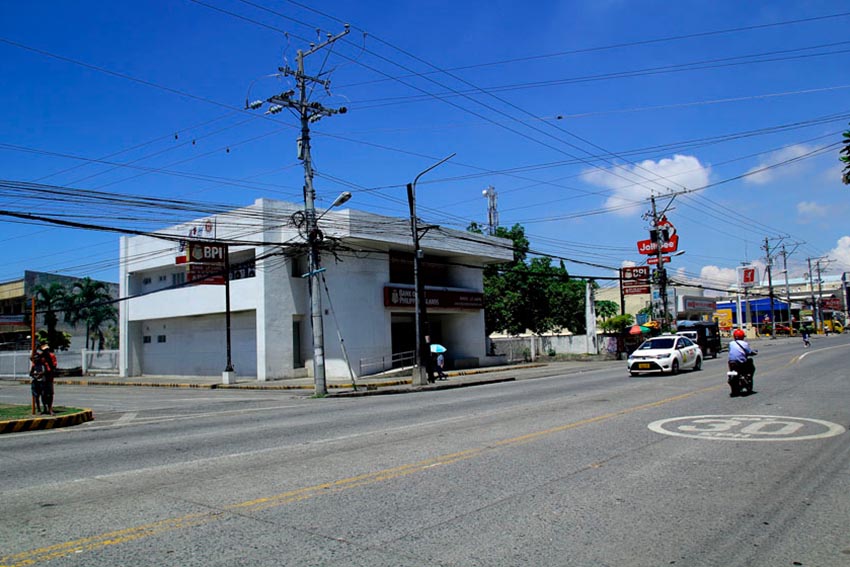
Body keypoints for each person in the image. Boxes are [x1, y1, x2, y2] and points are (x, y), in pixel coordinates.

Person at [728, 328, 756, 393]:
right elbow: (749, 352)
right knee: (750, 363)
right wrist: (753, 353)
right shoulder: (744, 343)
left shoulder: (731, 343)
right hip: (741, 363)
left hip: (731, 362)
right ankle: (748, 377)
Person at [33, 342, 57, 415]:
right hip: (41, 378)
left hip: (49, 377)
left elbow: (54, 366)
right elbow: (34, 361)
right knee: (43, 394)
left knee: (50, 394)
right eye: (44, 350)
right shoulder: (40, 356)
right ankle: (44, 408)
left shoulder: (51, 356)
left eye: (46, 349)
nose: (46, 351)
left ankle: (50, 408)